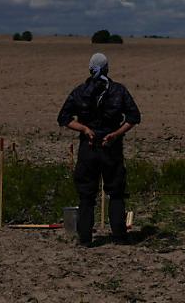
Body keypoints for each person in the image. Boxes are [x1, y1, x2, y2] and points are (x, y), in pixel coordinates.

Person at [57, 52, 141, 245]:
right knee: (116, 193)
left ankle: (85, 239)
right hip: (111, 148)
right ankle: (120, 237)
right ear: (107, 69)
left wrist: (85, 129)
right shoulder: (119, 91)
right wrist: (116, 134)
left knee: (86, 195)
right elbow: (133, 117)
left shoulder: (80, 91)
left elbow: (64, 118)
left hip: (88, 149)